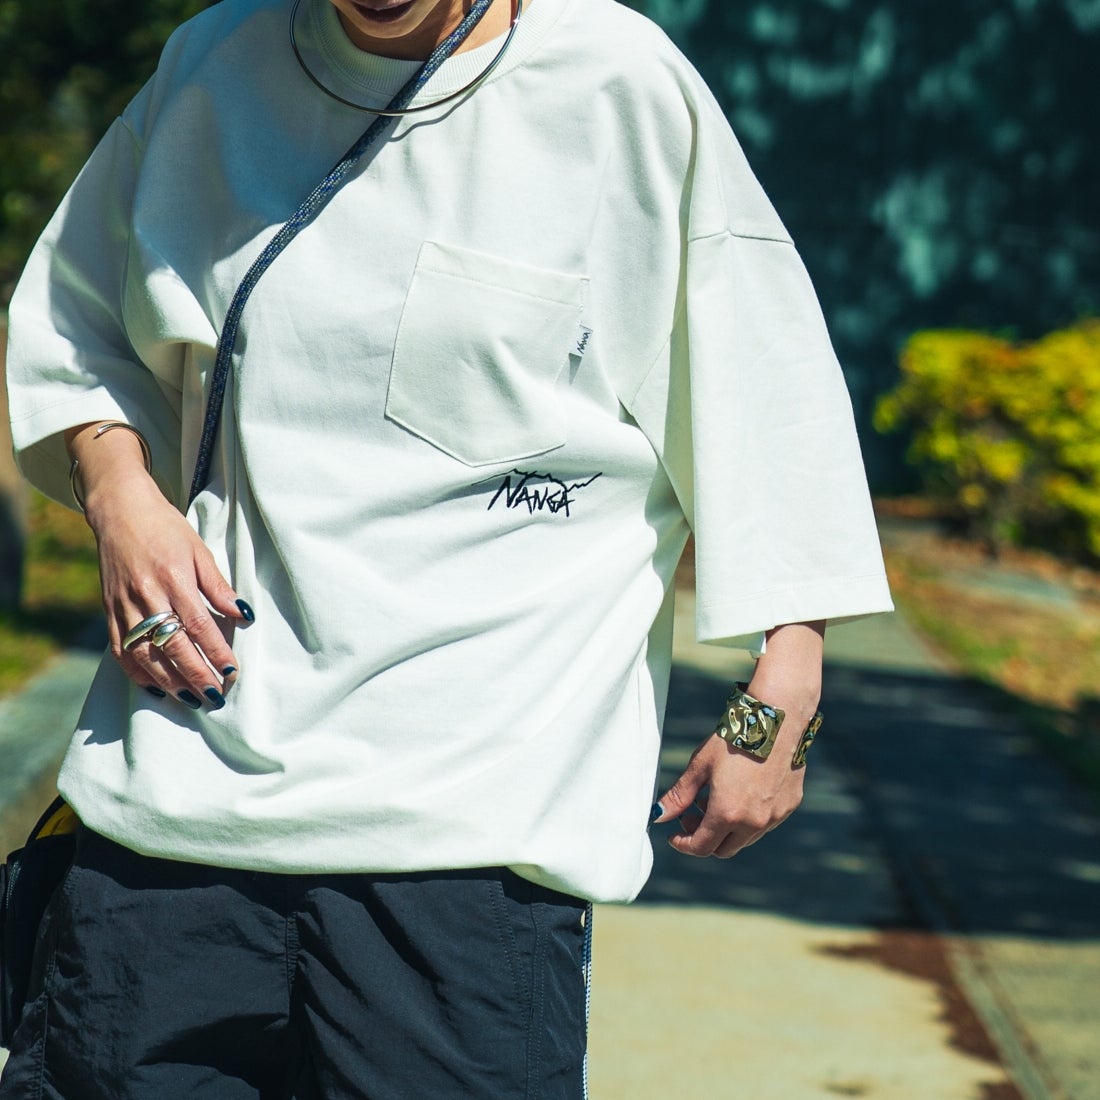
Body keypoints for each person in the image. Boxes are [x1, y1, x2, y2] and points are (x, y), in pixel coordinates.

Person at [2, 0, 893, 1095]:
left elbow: (763, 380)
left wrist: (785, 681)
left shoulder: (615, 80)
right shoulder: (214, 60)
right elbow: (73, 322)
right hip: (171, 819)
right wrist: (120, 496)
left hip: (466, 847)